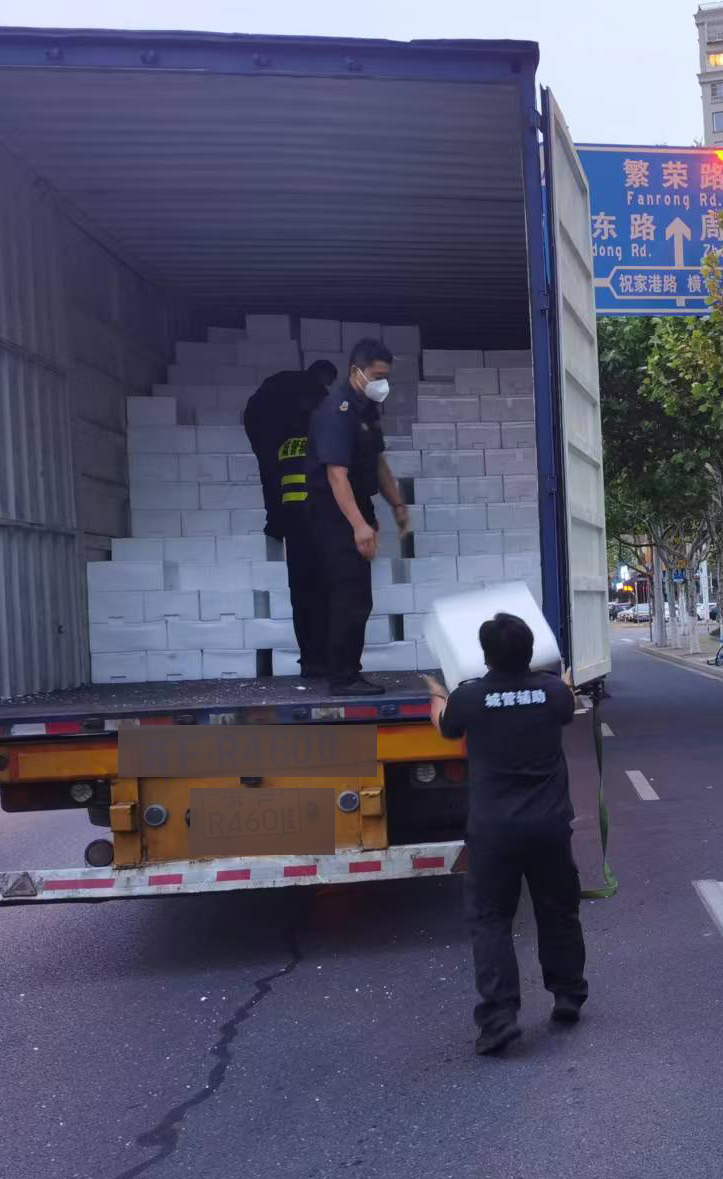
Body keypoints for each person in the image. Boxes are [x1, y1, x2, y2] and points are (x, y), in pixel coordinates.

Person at [424, 614, 588, 1057]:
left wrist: (436, 694)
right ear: (530, 650)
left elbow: (444, 725)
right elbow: (567, 703)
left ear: (485, 655)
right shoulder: (552, 692)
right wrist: (566, 681)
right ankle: (568, 993)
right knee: (558, 909)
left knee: (492, 918)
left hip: (494, 832)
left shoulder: (469, 698)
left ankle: (499, 1019)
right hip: (549, 827)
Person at [305, 338, 409, 694]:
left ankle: (347, 672)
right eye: (377, 376)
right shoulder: (337, 411)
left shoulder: (366, 409)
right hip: (332, 514)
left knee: (357, 595)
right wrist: (359, 526)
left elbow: (377, 462)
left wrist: (397, 505)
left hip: (354, 507)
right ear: (356, 371)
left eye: (386, 376)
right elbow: (337, 475)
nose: (383, 384)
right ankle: (343, 677)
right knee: (350, 594)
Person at [244, 359, 336, 674]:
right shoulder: (317, 400)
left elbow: (270, 475)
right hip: (316, 517)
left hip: (294, 515)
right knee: (324, 586)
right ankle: (326, 657)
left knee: (302, 586)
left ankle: (311, 659)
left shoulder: (277, 393)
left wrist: (276, 520)